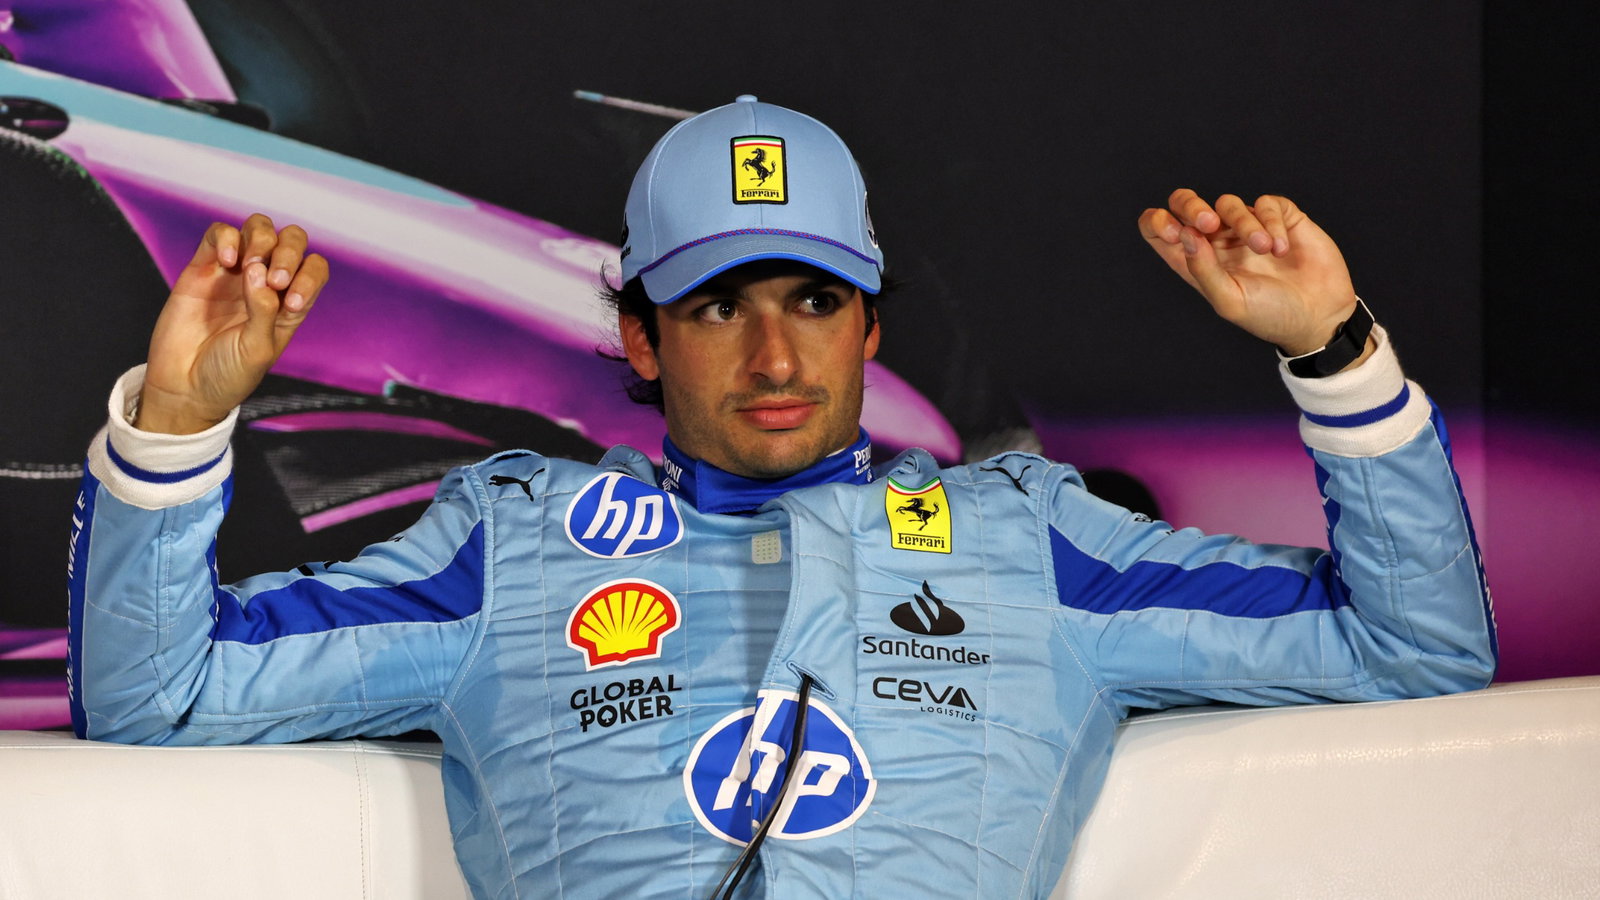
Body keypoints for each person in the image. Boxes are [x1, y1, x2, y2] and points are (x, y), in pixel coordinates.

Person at [68, 95, 1495, 899]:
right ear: (639, 335)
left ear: (873, 325)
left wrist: (1336, 351)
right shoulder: (508, 549)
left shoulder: (1036, 546)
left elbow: (1417, 648)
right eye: (714, 306)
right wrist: (182, 424)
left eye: (816, 299)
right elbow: (158, 697)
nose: (773, 355)